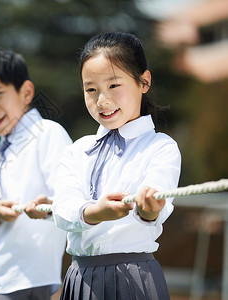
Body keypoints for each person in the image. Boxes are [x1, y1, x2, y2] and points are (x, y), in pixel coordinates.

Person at [51, 32, 182, 300]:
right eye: (91, 89)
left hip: (135, 276)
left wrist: (149, 210)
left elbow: (159, 205)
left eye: (113, 86)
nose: (102, 100)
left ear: (144, 81)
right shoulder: (78, 150)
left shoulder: (161, 147)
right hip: (80, 278)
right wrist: (96, 211)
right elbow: (62, 210)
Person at [0, 48, 72, 300]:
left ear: (26, 93)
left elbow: (72, 204)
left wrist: (47, 209)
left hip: (26, 280)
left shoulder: (48, 134)